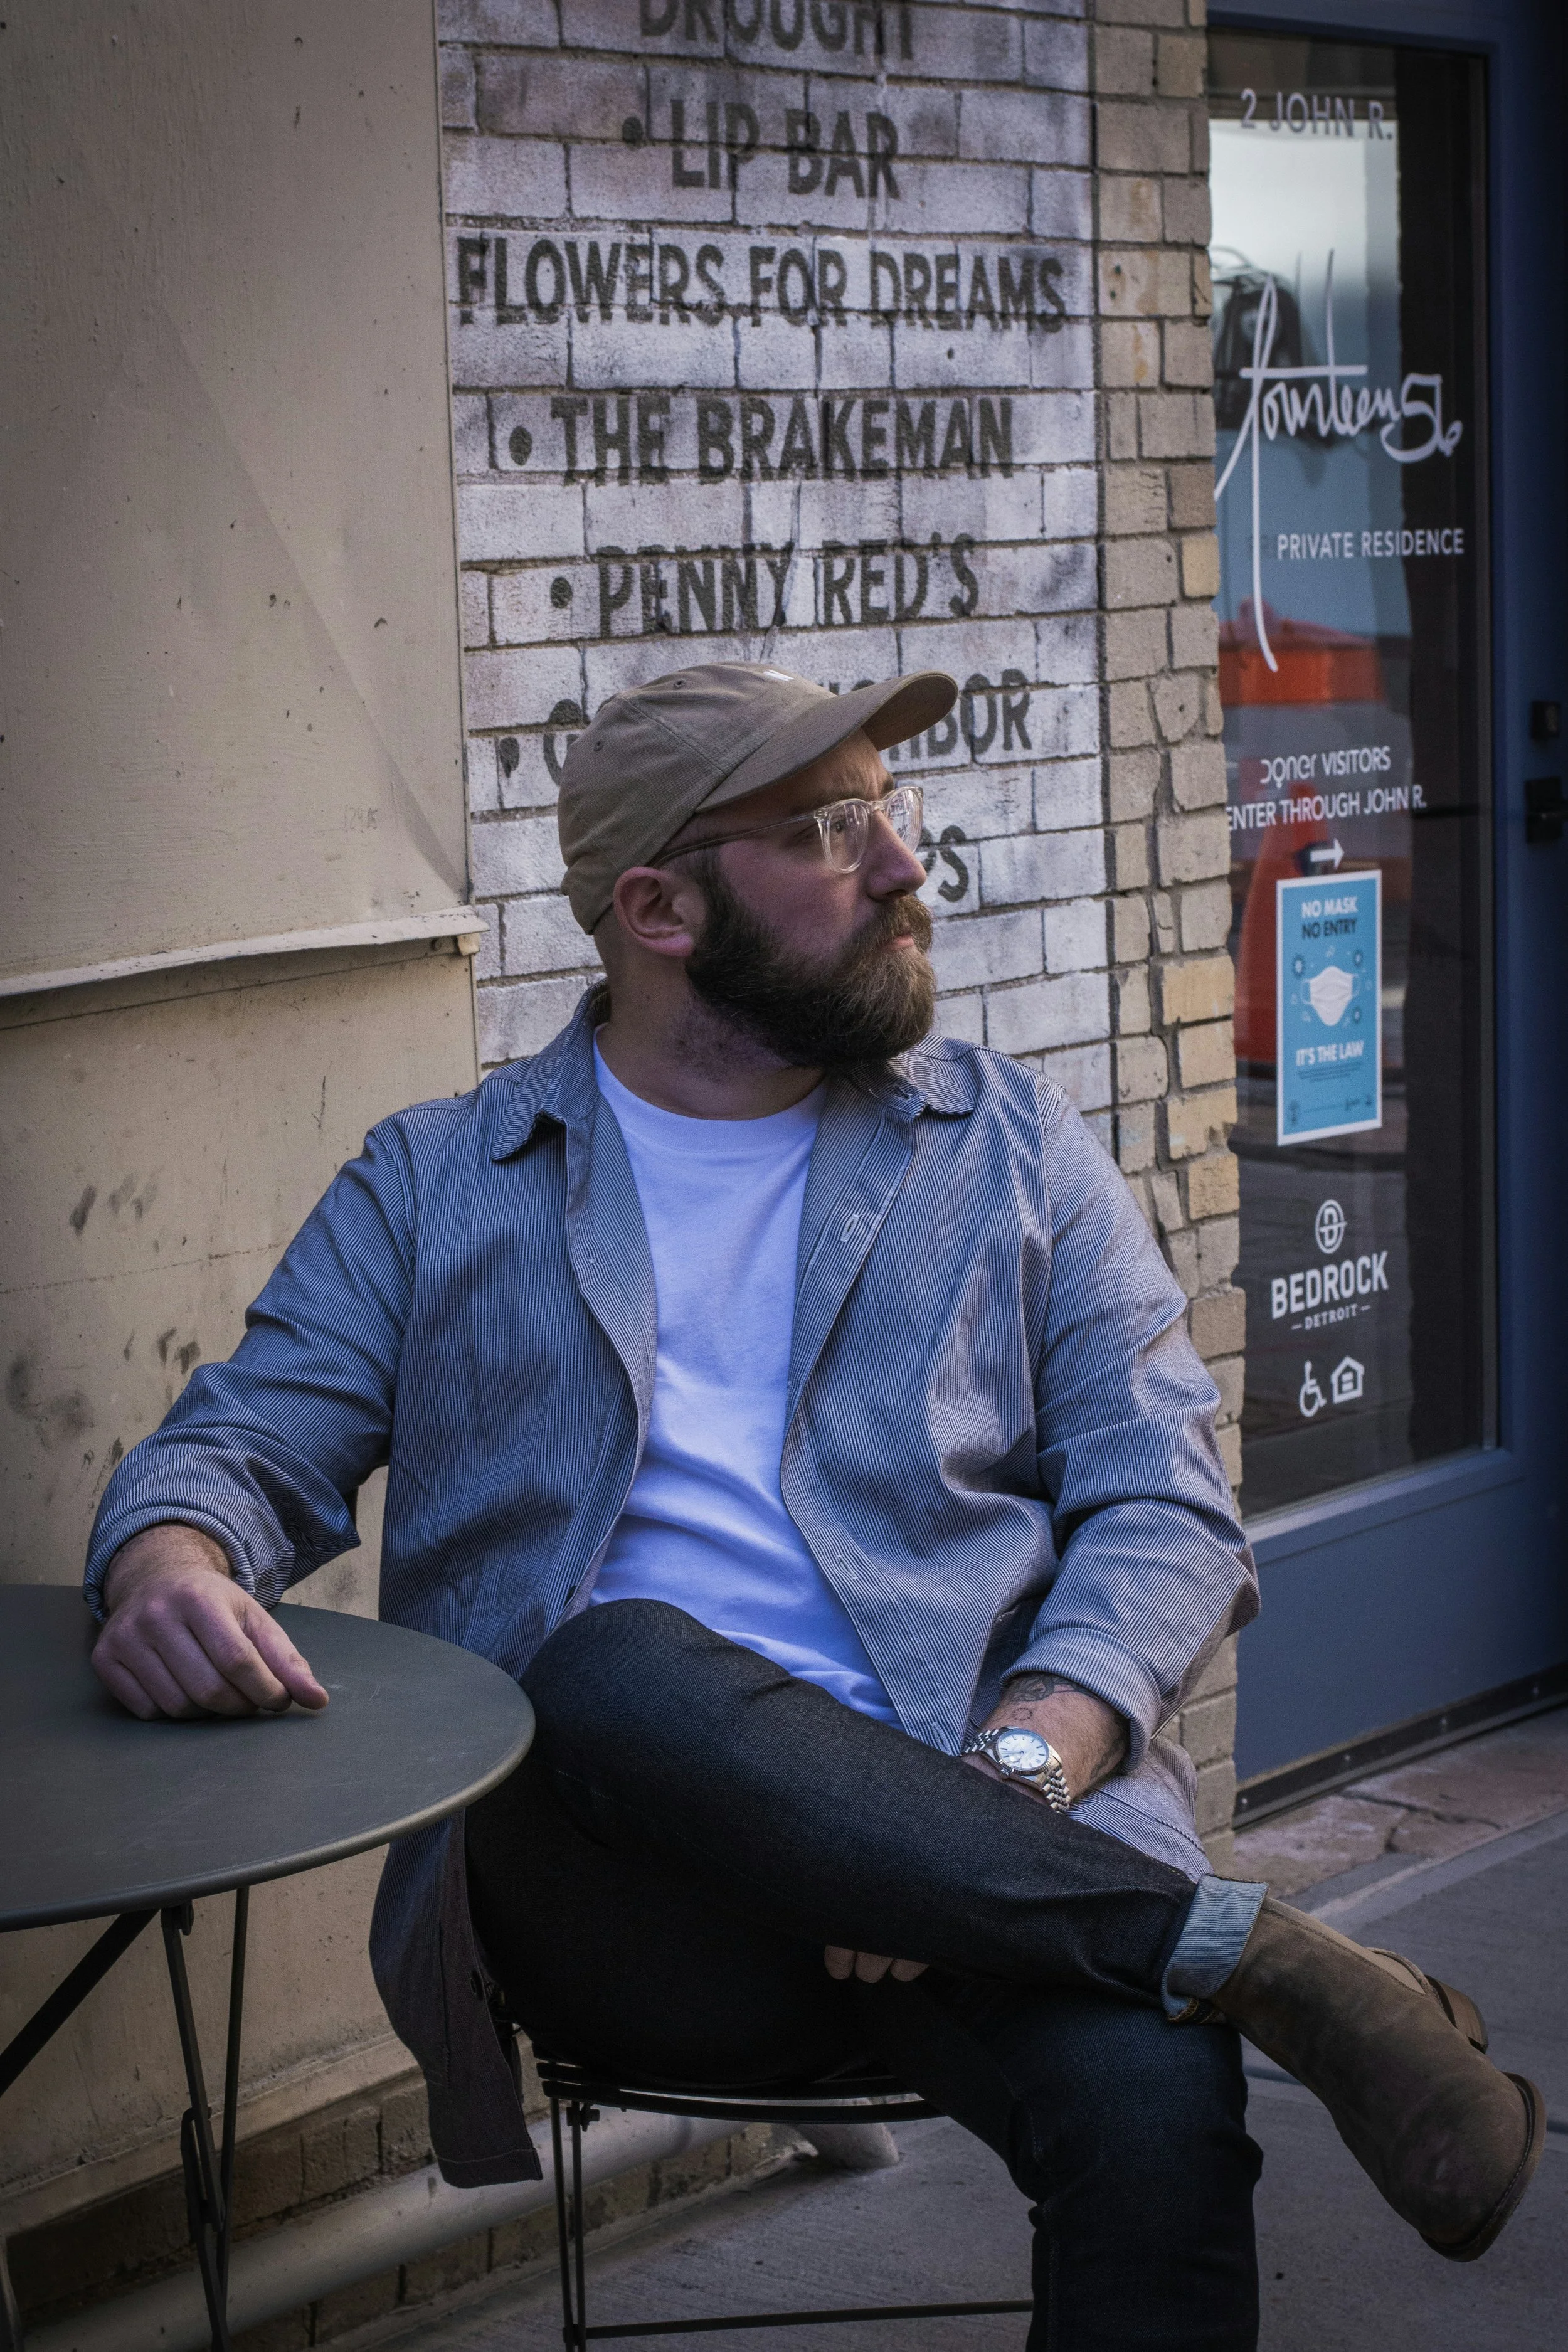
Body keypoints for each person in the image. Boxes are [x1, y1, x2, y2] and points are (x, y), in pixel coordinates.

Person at [86, 663, 1542, 2350]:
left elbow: (1164, 1501)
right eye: (831, 831)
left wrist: (1003, 1778)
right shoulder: (438, 1183)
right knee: (608, 1664)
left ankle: (1172, 1947)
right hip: (631, 1899)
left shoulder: (1005, 1146)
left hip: (990, 1842)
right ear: (658, 909)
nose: (907, 865)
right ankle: (1258, 1955)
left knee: (1154, 2113)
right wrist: (167, 1560)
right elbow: (237, 1446)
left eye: (891, 812)